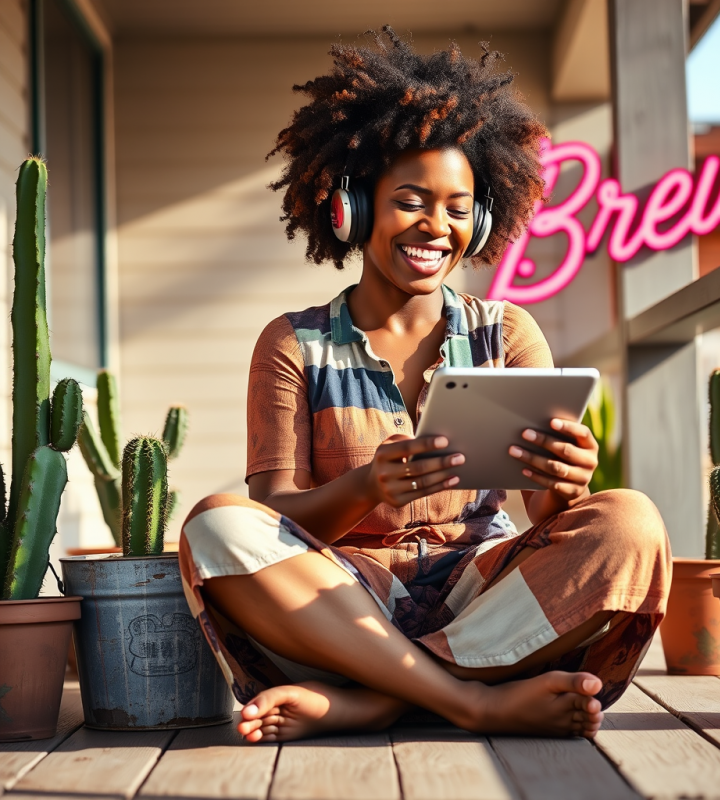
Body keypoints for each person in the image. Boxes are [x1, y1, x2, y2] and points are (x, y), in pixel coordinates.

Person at [178, 27, 671, 744]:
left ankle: (378, 701)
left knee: (633, 524)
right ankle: (472, 702)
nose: (435, 226)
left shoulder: (509, 333)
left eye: (457, 207)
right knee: (214, 524)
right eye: (410, 200)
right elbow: (278, 518)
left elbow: (547, 517)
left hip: (483, 592)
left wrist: (566, 480)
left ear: (484, 219)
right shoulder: (291, 343)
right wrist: (367, 488)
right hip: (343, 602)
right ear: (351, 206)